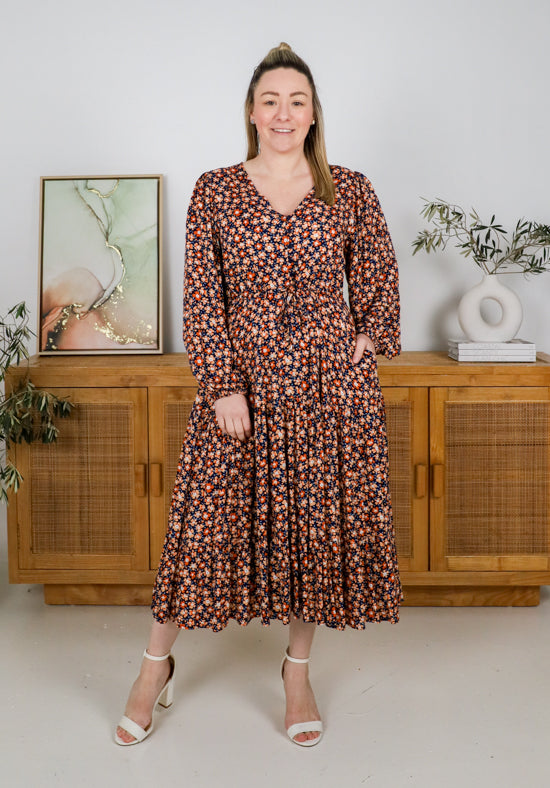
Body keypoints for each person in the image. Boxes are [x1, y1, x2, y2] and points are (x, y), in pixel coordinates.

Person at [115, 41, 402, 749]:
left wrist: (365, 340)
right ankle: (154, 667)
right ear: (251, 111)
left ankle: (296, 670)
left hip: (328, 393)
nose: (282, 112)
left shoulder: (351, 188)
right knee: (199, 530)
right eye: (270, 99)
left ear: (313, 115)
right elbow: (201, 300)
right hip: (240, 388)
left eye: (296, 101)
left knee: (313, 530)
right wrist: (220, 387)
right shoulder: (215, 189)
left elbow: (379, 280)